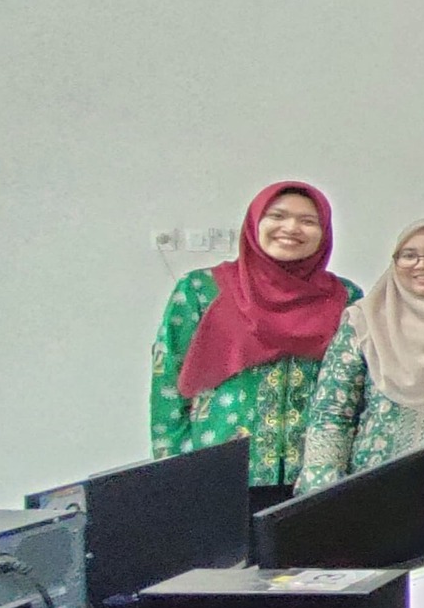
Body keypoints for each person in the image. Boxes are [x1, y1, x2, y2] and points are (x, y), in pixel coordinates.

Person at [151, 182, 360, 489]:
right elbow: (167, 383)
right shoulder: (201, 290)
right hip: (218, 474)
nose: (291, 228)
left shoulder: (345, 298)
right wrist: (171, 473)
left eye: (308, 221)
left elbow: (357, 387)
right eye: (277, 216)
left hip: (315, 479)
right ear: (254, 223)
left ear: (324, 232)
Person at [298, 219, 424, 500]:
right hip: (372, 491)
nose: (422, 264)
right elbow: (332, 412)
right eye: (409, 255)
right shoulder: (364, 322)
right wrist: (323, 492)